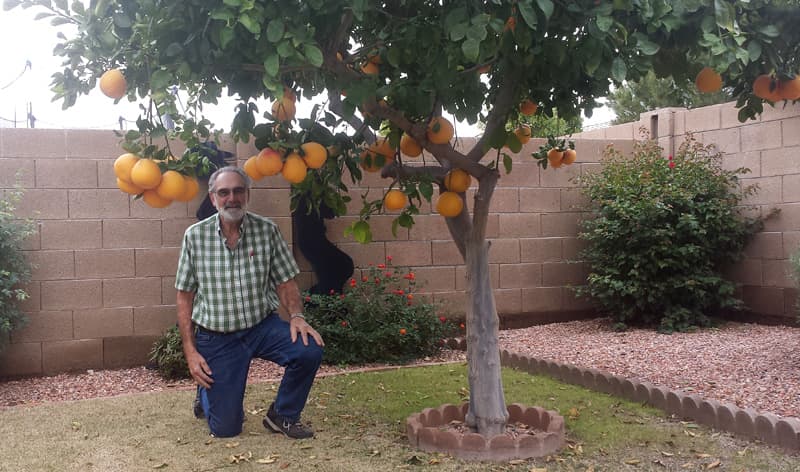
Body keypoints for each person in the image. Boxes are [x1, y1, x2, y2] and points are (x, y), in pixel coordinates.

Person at [174, 165, 324, 439]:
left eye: (238, 190)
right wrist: (190, 351)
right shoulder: (194, 237)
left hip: (261, 328)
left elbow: (285, 280)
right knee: (226, 430)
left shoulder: (267, 231)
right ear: (213, 198)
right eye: (224, 192)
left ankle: (282, 415)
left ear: (247, 194)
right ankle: (206, 395)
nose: (232, 198)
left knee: (309, 349)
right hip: (217, 337)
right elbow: (185, 295)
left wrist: (297, 317)